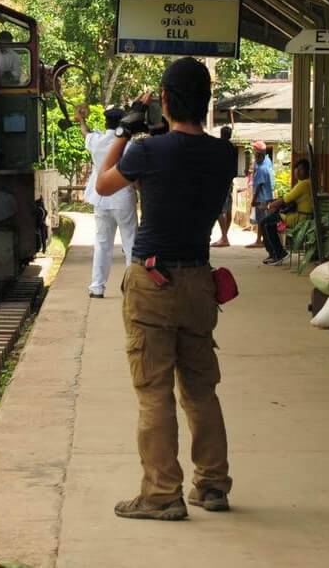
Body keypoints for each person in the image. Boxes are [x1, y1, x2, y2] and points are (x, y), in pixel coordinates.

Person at [93, 57, 237, 521]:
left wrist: (123, 133)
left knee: (154, 390)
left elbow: (103, 182)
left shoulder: (148, 151)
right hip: (199, 279)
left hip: (153, 281)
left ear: (168, 101)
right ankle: (212, 485)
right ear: (207, 101)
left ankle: (161, 494)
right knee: (201, 388)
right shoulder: (224, 155)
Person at [87, 107, 138, 298]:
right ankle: (133, 287)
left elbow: (86, 133)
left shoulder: (95, 141)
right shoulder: (130, 145)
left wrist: (82, 120)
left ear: (105, 123)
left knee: (102, 244)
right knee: (131, 243)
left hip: (100, 199)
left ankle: (97, 287)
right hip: (122, 196)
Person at [258, 158, 313, 265]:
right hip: (303, 216)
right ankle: (275, 253)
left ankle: (278, 254)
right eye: (297, 169)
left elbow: (285, 199)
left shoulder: (304, 184)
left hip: (300, 218)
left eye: (301, 169)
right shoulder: (307, 183)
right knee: (268, 221)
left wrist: (269, 205)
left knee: (265, 223)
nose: (298, 171)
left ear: (307, 171)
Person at [213, 125, 234, 247]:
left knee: (220, 210)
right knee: (228, 209)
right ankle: (224, 236)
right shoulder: (232, 147)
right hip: (229, 181)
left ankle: (224, 237)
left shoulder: (218, 146)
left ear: (221, 134)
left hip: (220, 181)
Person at [250, 142, 274, 229]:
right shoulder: (267, 163)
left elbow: (259, 186)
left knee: (261, 219)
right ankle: (260, 239)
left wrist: (253, 199)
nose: (254, 157)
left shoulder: (261, 168)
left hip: (261, 198)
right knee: (263, 218)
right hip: (267, 196)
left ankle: (259, 239)